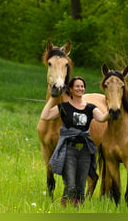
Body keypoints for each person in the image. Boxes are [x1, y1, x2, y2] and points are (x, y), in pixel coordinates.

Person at [40, 76, 110, 207]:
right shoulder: (64, 107)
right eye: (77, 86)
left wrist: (112, 109)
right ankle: (65, 208)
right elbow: (45, 116)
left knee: (81, 186)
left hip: (85, 150)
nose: (80, 88)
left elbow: (101, 118)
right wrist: (52, 98)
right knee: (70, 184)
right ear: (71, 89)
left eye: (82, 86)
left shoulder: (90, 107)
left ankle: (77, 210)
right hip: (69, 149)